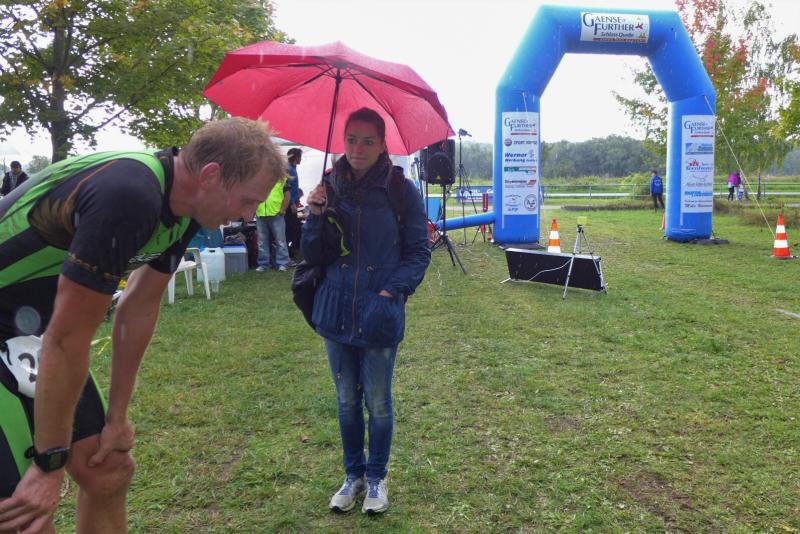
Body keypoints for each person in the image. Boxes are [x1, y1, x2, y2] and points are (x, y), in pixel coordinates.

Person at [0, 117, 285, 533]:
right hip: (37, 330)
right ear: (211, 176)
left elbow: (138, 308)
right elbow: (67, 339)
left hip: (29, 328)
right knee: (23, 515)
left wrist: (117, 417)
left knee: (107, 470)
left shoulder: (186, 206)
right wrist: (50, 464)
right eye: (247, 200)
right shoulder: (129, 194)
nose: (247, 214)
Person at [301, 107, 430, 515]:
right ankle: (352, 475)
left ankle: (376, 477)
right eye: (351, 139)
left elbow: (419, 251)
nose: (358, 148)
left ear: (382, 144)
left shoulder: (400, 190)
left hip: (378, 310)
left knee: (377, 401)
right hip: (336, 310)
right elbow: (313, 255)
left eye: (368, 141)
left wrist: (391, 291)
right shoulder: (328, 186)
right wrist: (314, 216)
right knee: (345, 401)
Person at [254, 171, 291, 272]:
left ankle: (283, 263)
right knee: (261, 241)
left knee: (280, 241)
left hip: (276, 214)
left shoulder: (282, 178)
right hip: (261, 214)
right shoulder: (257, 178)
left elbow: (287, 195)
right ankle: (263, 264)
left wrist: (283, 209)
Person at [285, 148, 304, 260]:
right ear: (296, 157)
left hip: (295, 203)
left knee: (296, 227)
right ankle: (290, 253)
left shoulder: (293, 168)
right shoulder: (289, 169)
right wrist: (292, 203)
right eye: (300, 157)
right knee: (291, 228)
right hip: (290, 205)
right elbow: (288, 188)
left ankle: (294, 250)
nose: (301, 159)